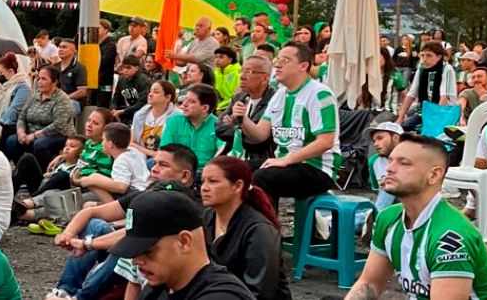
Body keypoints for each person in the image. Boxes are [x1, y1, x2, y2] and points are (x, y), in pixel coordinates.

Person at [345, 134, 487, 300]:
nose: (390, 168)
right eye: (391, 160)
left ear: (434, 175)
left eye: (404, 163)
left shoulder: (451, 237)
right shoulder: (388, 218)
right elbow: (369, 284)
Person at [44, 145, 199, 300]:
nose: (154, 169)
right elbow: (90, 212)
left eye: (163, 165)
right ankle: (64, 290)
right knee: (95, 225)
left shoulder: (180, 204)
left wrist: (87, 244)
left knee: (127, 250)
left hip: (156, 262)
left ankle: (81, 298)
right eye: (155, 163)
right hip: (134, 254)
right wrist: (67, 234)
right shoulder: (150, 194)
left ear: (185, 176)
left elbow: (133, 237)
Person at [236, 42, 341, 206]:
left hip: (317, 167)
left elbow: (325, 142)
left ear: (303, 65)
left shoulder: (319, 94)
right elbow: (260, 135)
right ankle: (238, 226)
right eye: (278, 59)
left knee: (263, 177)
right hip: (285, 162)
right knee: (235, 171)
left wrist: (286, 160)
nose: (277, 64)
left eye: (285, 60)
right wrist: (243, 119)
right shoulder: (279, 94)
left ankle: (266, 229)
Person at [109, 188, 255, 300]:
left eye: (147, 250)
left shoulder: (222, 296)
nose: (136, 261)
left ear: (184, 241)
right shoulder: (161, 285)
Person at [199, 156, 291, 300]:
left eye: (213, 181)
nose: (204, 188)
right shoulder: (207, 218)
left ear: (238, 186)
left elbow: (260, 292)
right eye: (202, 181)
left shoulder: (259, 230)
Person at [5, 65, 76, 165]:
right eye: (38, 78)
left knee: (40, 144)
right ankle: (24, 169)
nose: (39, 82)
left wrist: (34, 136)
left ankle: (42, 173)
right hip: (31, 134)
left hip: (56, 135)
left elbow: (59, 125)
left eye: (44, 79)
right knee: (12, 141)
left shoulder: (61, 99)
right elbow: (22, 116)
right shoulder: (35, 96)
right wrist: (21, 133)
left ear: (54, 82)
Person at [218, 55, 277, 170]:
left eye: (248, 72)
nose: (242, 76)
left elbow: (259, 142)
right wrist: (241, 128)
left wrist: (236, 125)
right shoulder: (239, 98)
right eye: (242, 71)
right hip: (233, 156)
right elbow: (219, 129)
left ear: (265, 78)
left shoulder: (274, 100)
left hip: (260, 161)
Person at [159, 83, 220, 172]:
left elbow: (222, 151)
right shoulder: (175, 121)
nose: (184, 104)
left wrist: (209, 169)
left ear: (205, 108)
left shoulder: (218, 125)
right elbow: (164, 151)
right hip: (176, 171)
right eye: (185, 100)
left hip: (205, 172)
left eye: (191, 101)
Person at [396, 42, 458, 129]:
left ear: (439, 57)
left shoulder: (446, 69)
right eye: (422, 55)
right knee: (401, 128)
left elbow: (444, 98)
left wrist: (433, 120)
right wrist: (400, 118)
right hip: (424, 111)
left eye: (429, 56)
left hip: (444, 113)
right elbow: (411, 95)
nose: (424, 59)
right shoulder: (421, 69)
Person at [129, 80, 178, 162]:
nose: (150, 94)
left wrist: (156, 155)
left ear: (168, 97)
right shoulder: (140, 115)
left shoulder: (177, 117)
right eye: (150, 91)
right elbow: (131, 143)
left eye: (156, 92)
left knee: (151, 163)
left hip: (168, 158)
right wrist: (151, 153)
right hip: (141, 154)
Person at [0, 54, 32, 139]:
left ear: (10, 71)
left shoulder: (22, 87)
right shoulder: (1, 86)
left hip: (14, 124)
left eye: (0, 73)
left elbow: (14, 109)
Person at [366, 122, 403, 214]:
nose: (375, 144)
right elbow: (378, 192)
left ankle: (376, 219)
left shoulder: (415, 158)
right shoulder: (373, 162)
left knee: (391, 183)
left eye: (380, 138)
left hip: (415, 206)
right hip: (390, 208)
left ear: (396, 138)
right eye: (374, 141)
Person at [111, 55, 151, 126]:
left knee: (137, 113)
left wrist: (123, 111)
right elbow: (115, 98)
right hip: (125, 112)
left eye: (128, 67)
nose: (125, 70)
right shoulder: (122, 80)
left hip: (139, 112)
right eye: (123, 67)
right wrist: (113, 108)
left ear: (136, 68)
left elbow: (143, 103)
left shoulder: (143, 80)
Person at [56, 39, 89, 104]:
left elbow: (82, 92)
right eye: (59, 47)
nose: (60, 49)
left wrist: (63, 99)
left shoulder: (79, 67)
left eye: (64, 47)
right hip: (56, 101)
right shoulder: (54, 67)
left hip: (73, 101)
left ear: (74, 51)